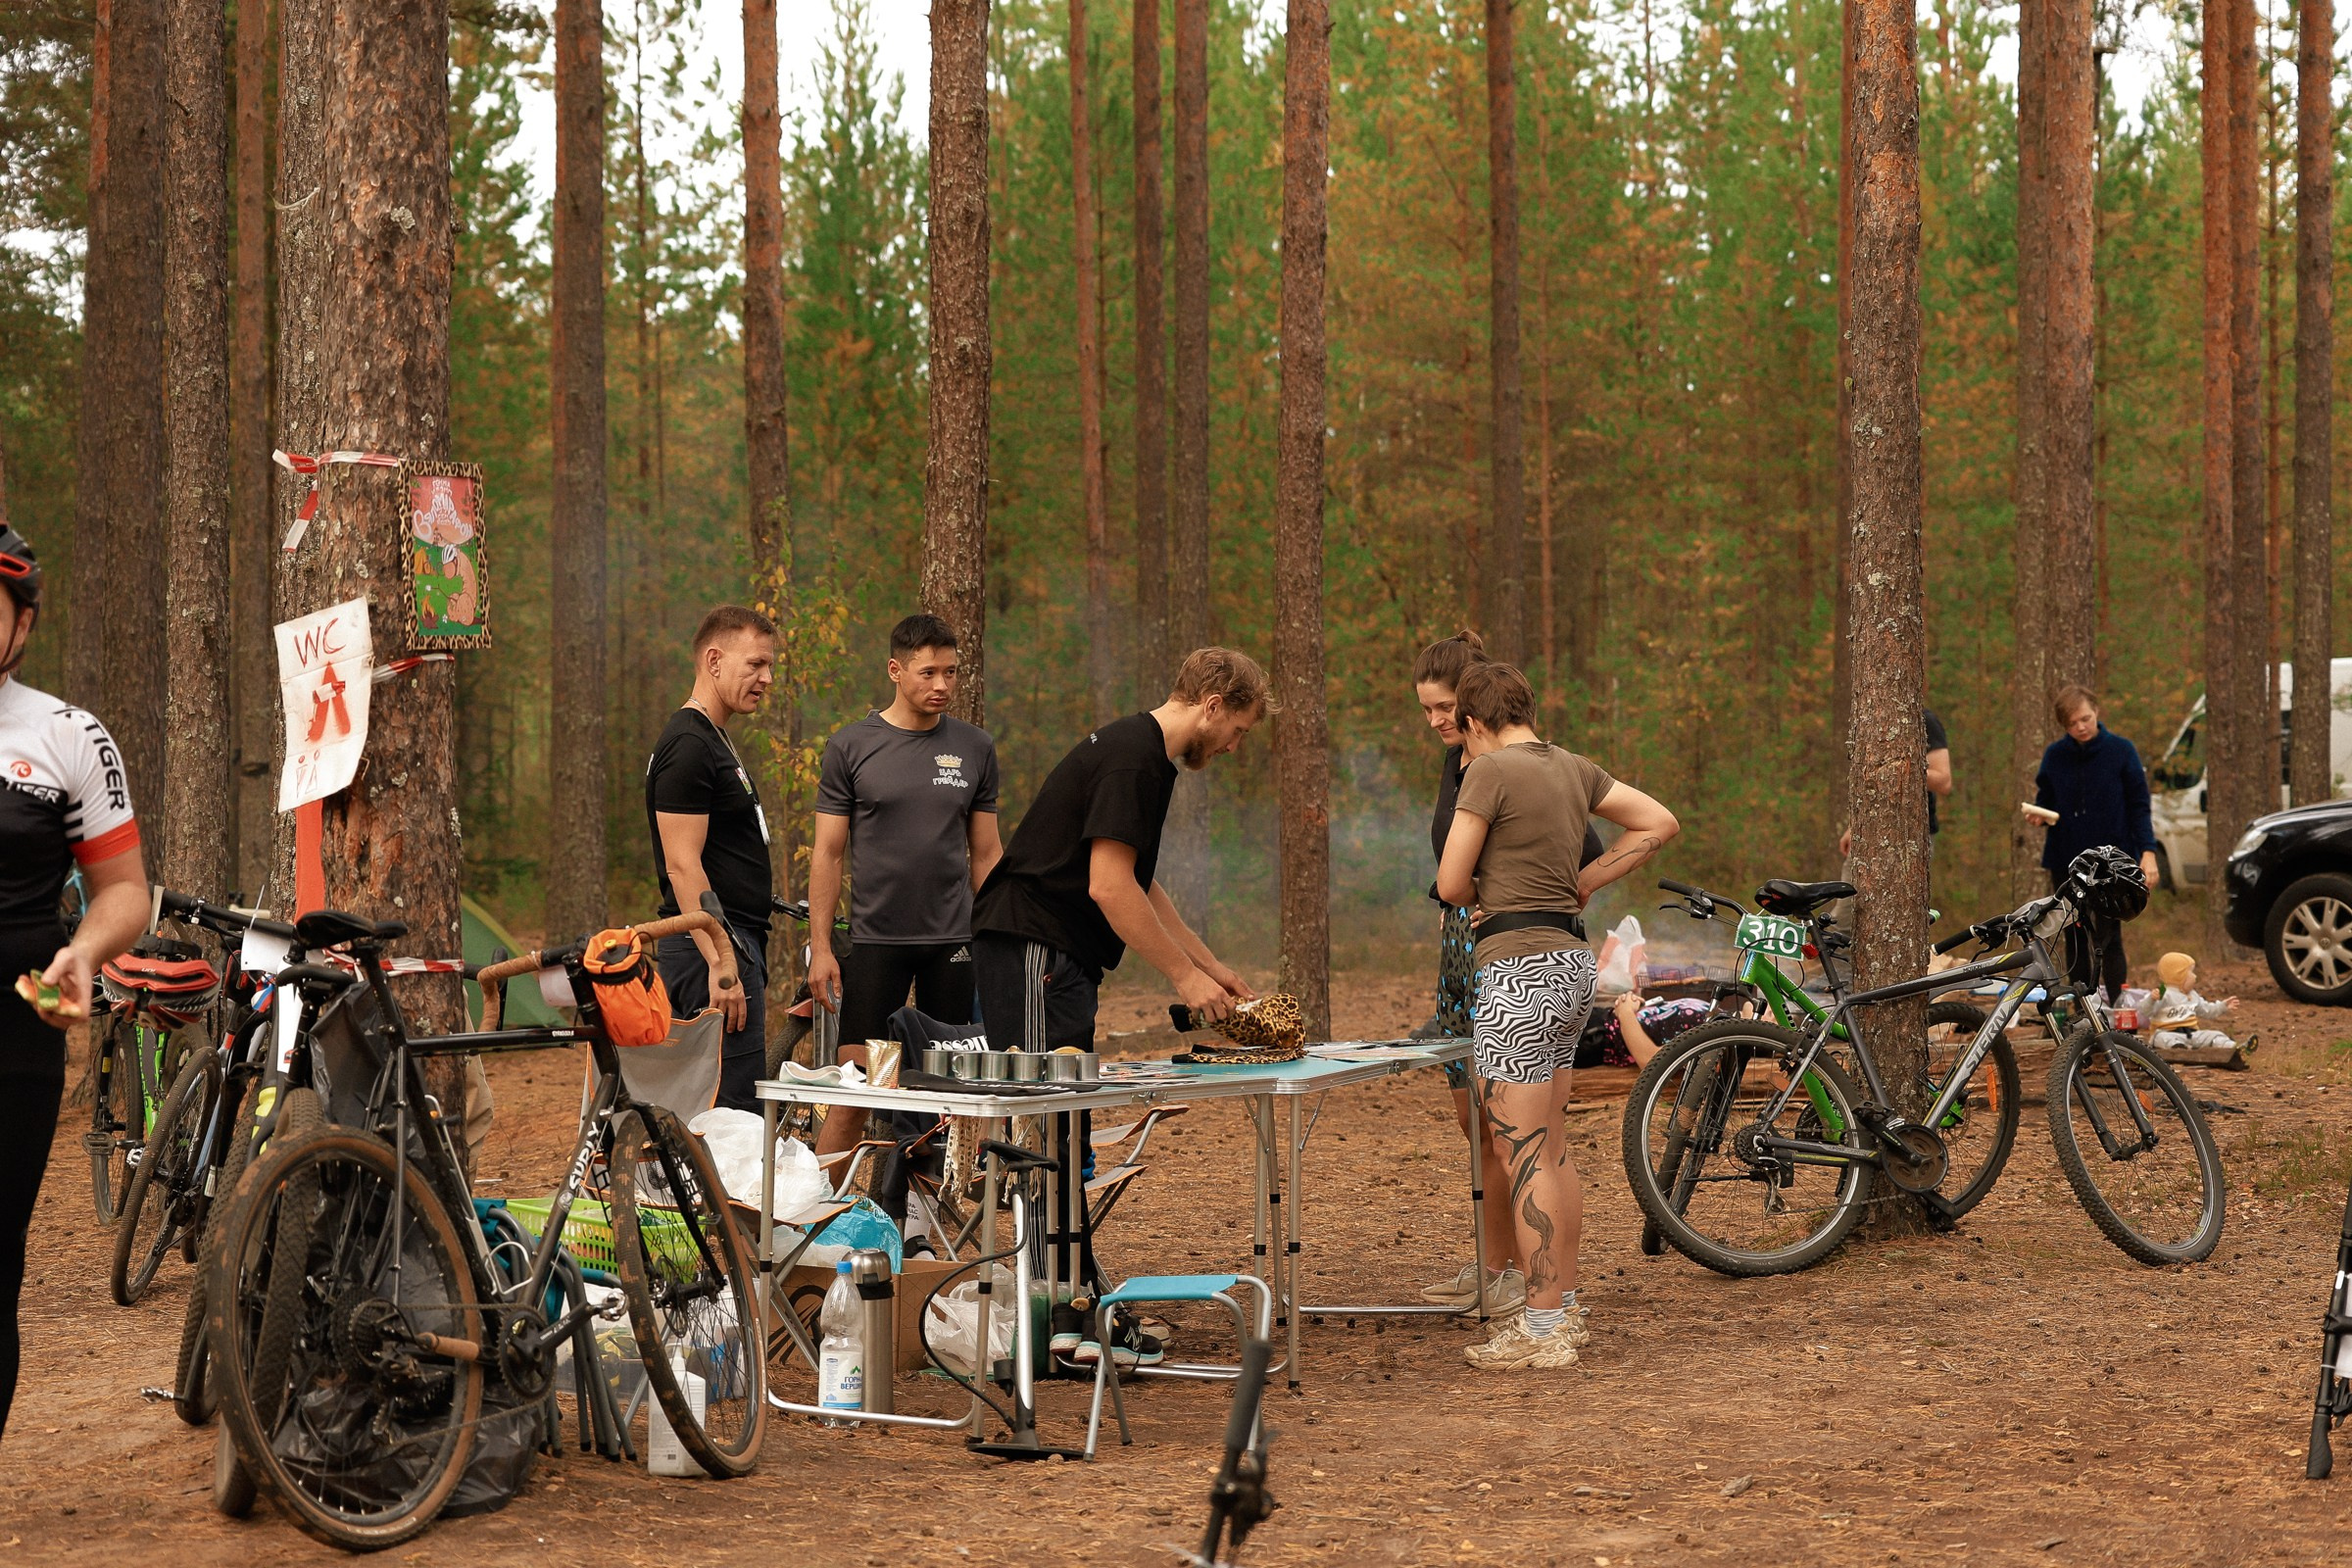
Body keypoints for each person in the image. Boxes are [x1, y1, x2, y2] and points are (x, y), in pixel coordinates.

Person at [1436, 661, 1679, 1371]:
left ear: (1474, 722)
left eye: (1460, 731)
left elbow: (1450, 881)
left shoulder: (1488, 771)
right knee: (1551, 1147)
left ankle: (1542, 1328)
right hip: (1572, 967)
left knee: (1522, 1150)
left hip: (1515, 970)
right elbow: (1659, 822)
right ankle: (1562, 1306)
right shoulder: (1573, 767)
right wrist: (1586, 881)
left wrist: (1483, 892)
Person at [0, 526, 150, 1442]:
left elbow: (124, 888)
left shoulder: (68, 735)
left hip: (13, 1035)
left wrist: (85, 952)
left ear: (22, 623)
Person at [1409, 630, 1603, 1318]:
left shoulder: (1504, 769)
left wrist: (1550, 894)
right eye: (1426, 710)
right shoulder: (1466, 765)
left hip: (1516, 953)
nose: (1437, 721)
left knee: (1522, 1140)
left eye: (1446, 709)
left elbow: (1578, 853)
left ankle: (1536, 1299)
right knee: (1494, 1128)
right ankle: (1510, 1274)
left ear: (1475, 711)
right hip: (1481, 958)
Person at [971, 647, 1263, 1054]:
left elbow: (1136, 882)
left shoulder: (1145, 755)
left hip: (1059, 953)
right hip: (1035, 944)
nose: (1233, 747)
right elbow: (1110, 887)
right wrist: (1185, 976)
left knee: (1069, 1093)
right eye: (1238, 731)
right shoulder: (1133, 760)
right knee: (1042, 1092)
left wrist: (1208, 967)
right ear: (1213, 707)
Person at [808, 613, 1003, 1159]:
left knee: (951, 1093)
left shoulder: (974, 747)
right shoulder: (850, 746)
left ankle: (929, 1198)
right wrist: (821, 947)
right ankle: (821, 1200)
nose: (941, 685)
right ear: (895, 670)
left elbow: (987, 853)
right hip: (876, 943)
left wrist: (999, 937)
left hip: (953, 943)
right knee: (859, 1087)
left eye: (950, 672)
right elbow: (828, 853)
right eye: (927, 673)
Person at [646, 605, 772, 1110]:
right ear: (714, 661)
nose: (766, 678)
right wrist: (721, 962)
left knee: (727, 1110)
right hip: (710, 950)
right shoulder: (688, 745)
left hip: (732, 941)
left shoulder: (713, 737)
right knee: (730, 1116)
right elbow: (682, 866)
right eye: (755, 664)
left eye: (769, 666)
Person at [2030, 684, 2159, 1004]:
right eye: (2072, 723)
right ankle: (2082, 1010)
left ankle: (2117, 1008)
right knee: (2073, 935)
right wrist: (2039, 815)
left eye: (2085, 719)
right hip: (2067, 859)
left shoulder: (2121, 751)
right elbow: (2046, 800)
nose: (2081, 727)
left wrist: (2148, 851)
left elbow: (2139, 806)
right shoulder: (2055, 756)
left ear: (2096, 712)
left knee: (2110, 936)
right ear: (2064, 725)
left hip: (2112, 863)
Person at [2149, 951, 2250, 1054]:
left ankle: (2235, 1048)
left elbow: (2207, 1010)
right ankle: (2178, 1048)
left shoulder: (2192, 995)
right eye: (2190, 972)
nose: (2195, 976)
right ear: (2178, 975)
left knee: (2215, 1035)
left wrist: (2222, 1006)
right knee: (2160, 1037)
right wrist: (2151, 999)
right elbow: (2146, 1010)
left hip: (2192, 1035)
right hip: (2169, 1033)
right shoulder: (2162, 993)